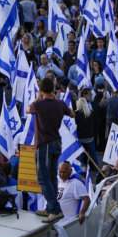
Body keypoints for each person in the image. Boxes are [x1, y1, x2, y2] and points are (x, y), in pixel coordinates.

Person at [26, 77, 75, 223]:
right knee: (52, 177)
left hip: (44, 145)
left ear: (41, 90)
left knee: (43, 178)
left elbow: (28, 110)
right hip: (56, 144)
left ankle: (55, 210)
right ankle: (49, 208)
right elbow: (72, 114)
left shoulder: (39, 105)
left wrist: (37, 97)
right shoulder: (59, 103)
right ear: (53, 90)